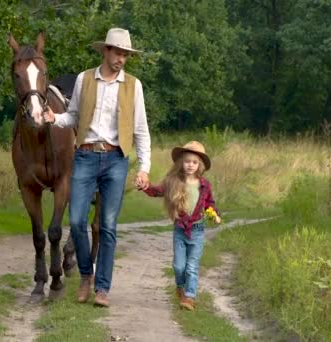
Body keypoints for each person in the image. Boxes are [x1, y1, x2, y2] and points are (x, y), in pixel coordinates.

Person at [43, 28, 151, 307]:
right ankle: (85, 276)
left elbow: (140, 130)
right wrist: (54, 118)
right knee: (77, 221)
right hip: (86, 156)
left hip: (116, 159)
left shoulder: (133, 86)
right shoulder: (84, 79)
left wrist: (144, 168)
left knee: (108, 226)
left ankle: (102, 289)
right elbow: (74, 117)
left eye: (126, 55)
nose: (122, 59)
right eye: (118, 53)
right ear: (105, 51)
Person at [140, 141, 221, 311]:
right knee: (179, 266)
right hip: (180, 230)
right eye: (187, 161)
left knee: (192, 266)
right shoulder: (173, 182)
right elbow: (157, 191)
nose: (190, 165)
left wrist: (214, 215)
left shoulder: (204, 185)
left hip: (197, 231)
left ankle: (189, 297)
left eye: (194, 162)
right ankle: (180, 286)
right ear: (180, 163)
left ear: (199, 165)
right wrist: (146, 187)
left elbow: (209, 204)